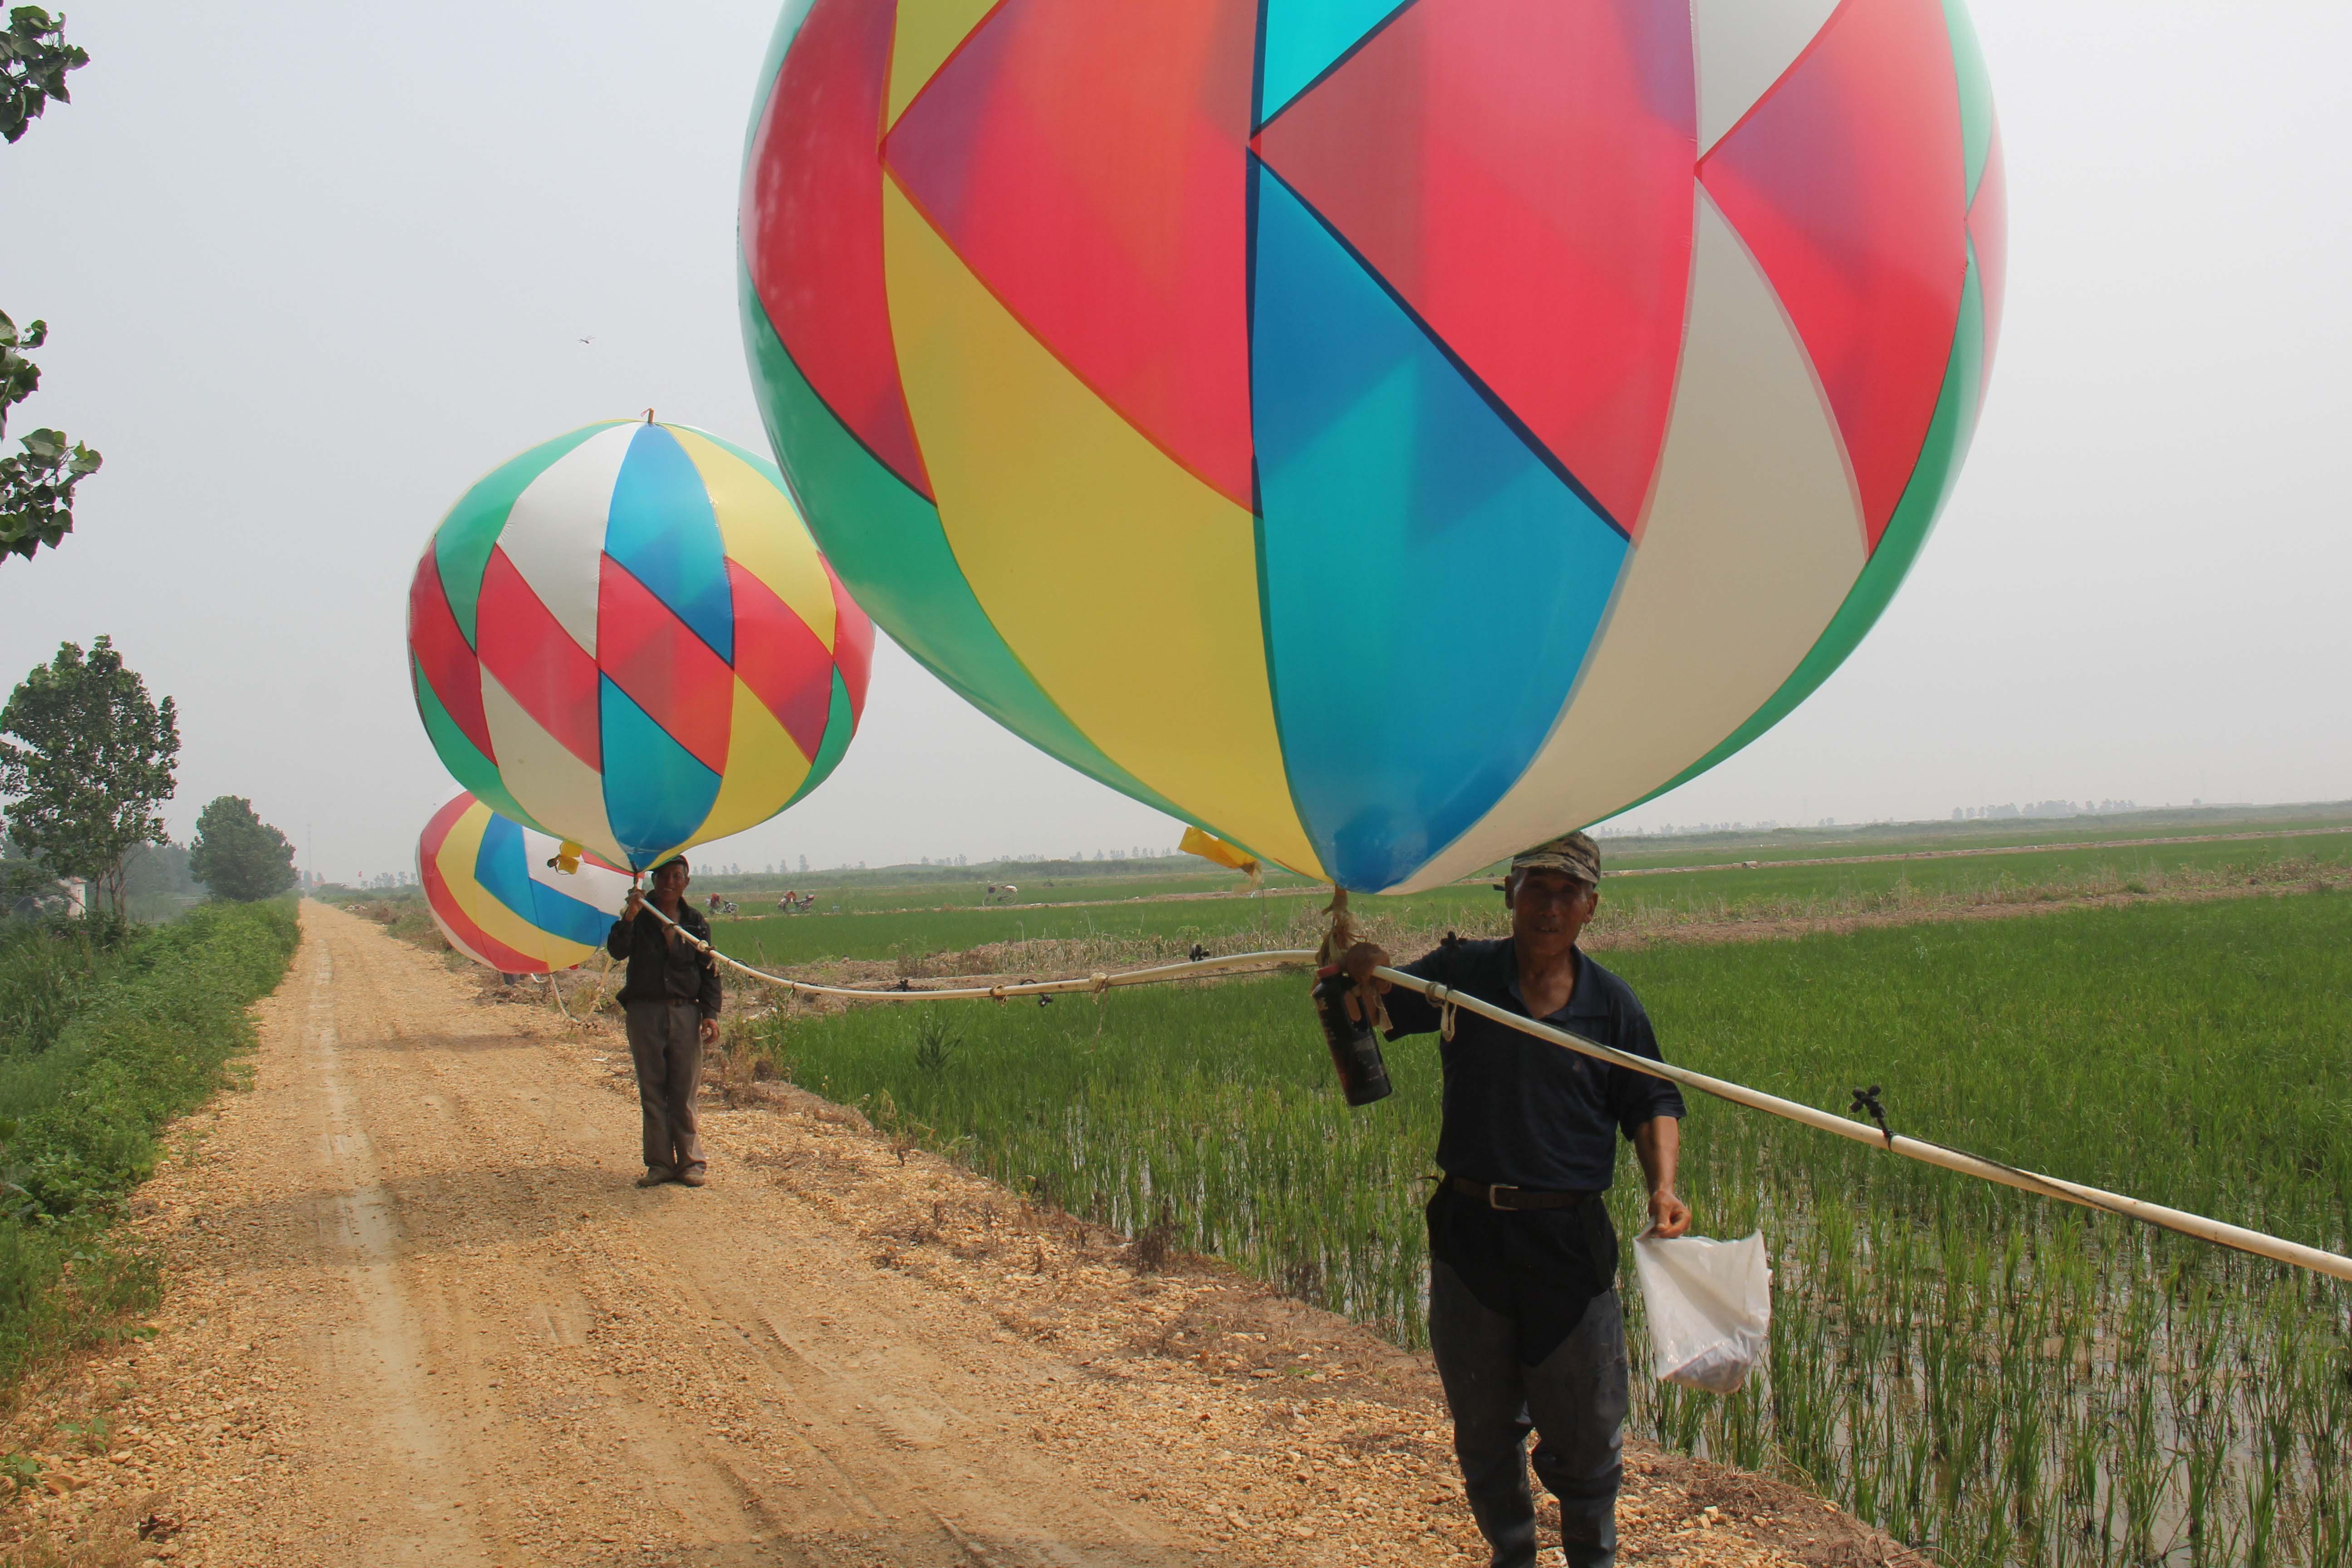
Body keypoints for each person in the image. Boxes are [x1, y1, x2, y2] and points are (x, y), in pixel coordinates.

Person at [1343, 831, 1688, 1568]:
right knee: (1482, 1427)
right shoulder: (1462, 975)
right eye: (1536, 887)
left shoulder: (1610, 1008)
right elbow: (1378, 1007)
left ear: (1590, 907)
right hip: (1471, 1235)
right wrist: (1363, 971)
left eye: (1568, 893)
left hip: (1567, 1242)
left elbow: (1653, 1097)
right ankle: (1512, 1557)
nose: (1549, 906)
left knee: (1588, 1435)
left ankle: (1590, 1561)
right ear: (1509, 893)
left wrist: (1662, 1187)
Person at [607, 856, 721, 1189]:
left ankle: (690, 1163)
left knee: (684, 1090)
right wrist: (629, 915)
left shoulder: (696, 922)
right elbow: (617, 950)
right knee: (653, 1090)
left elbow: (709, 971)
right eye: (663, 877)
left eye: (677, 876)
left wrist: (710, 1014)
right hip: (645, 1012)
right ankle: (658, 1164)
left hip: (685, 1012)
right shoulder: (639, 918)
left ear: (687, 883)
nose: (669, 883)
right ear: (654, 881)